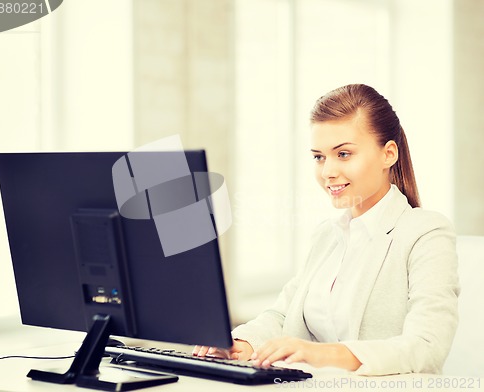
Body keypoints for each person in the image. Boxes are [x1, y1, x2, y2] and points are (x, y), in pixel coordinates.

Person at [193, 84, 459, 376]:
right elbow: (283, 314)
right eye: (319, 157)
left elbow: (427, 346)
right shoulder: (327, 236)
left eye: (343, 154)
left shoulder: (426, 233)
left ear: (389, 154)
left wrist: (319, 354)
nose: (327, 171)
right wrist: (241, 341)